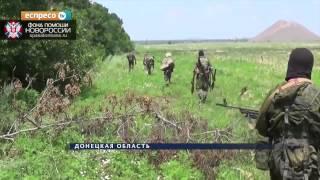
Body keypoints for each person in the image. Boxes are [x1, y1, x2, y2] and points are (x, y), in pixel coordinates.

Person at [255, 48, 320, 180]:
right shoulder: (317, 95)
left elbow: (261, 129)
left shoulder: (275, 94)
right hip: (310, 167)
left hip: (279, 166)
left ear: (290, 65)